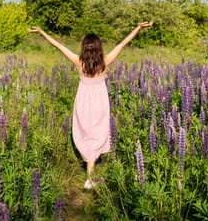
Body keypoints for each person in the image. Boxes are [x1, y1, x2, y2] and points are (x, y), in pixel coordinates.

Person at [29, 21, 153, 189]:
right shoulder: (105, 61)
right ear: (98, 47)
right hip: (100, 102)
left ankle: (89, 173)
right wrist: (138, 27)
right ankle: (90, 178)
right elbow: (123, 43)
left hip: (83, 101)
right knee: (97, 132)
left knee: (85, 131)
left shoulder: (78, 61)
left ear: (84, 47)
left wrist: (41, 32)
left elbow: (58, 45)